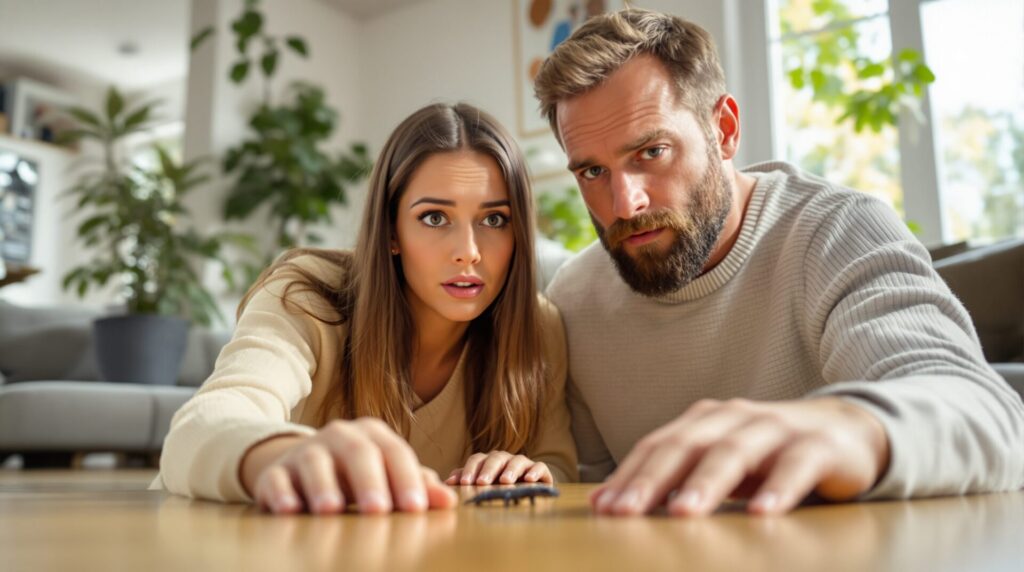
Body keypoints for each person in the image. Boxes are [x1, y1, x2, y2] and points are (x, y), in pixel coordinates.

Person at [533, 9, 1024, 517]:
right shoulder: (574, 297)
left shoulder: (838, 230)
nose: (623, 204)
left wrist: (852, 425)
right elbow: (588, 495)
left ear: (723, 130)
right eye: (593, 170)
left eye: (652, 151)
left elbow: (990, 416)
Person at [155, 103, 578, 514]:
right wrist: (279, 456)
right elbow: (200, 427)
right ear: (391, 231)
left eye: (495, 220)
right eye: (434, 218)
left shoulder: (539, 326)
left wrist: (531, 473)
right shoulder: (306, 293)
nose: (468, 253)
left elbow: (559, 467)